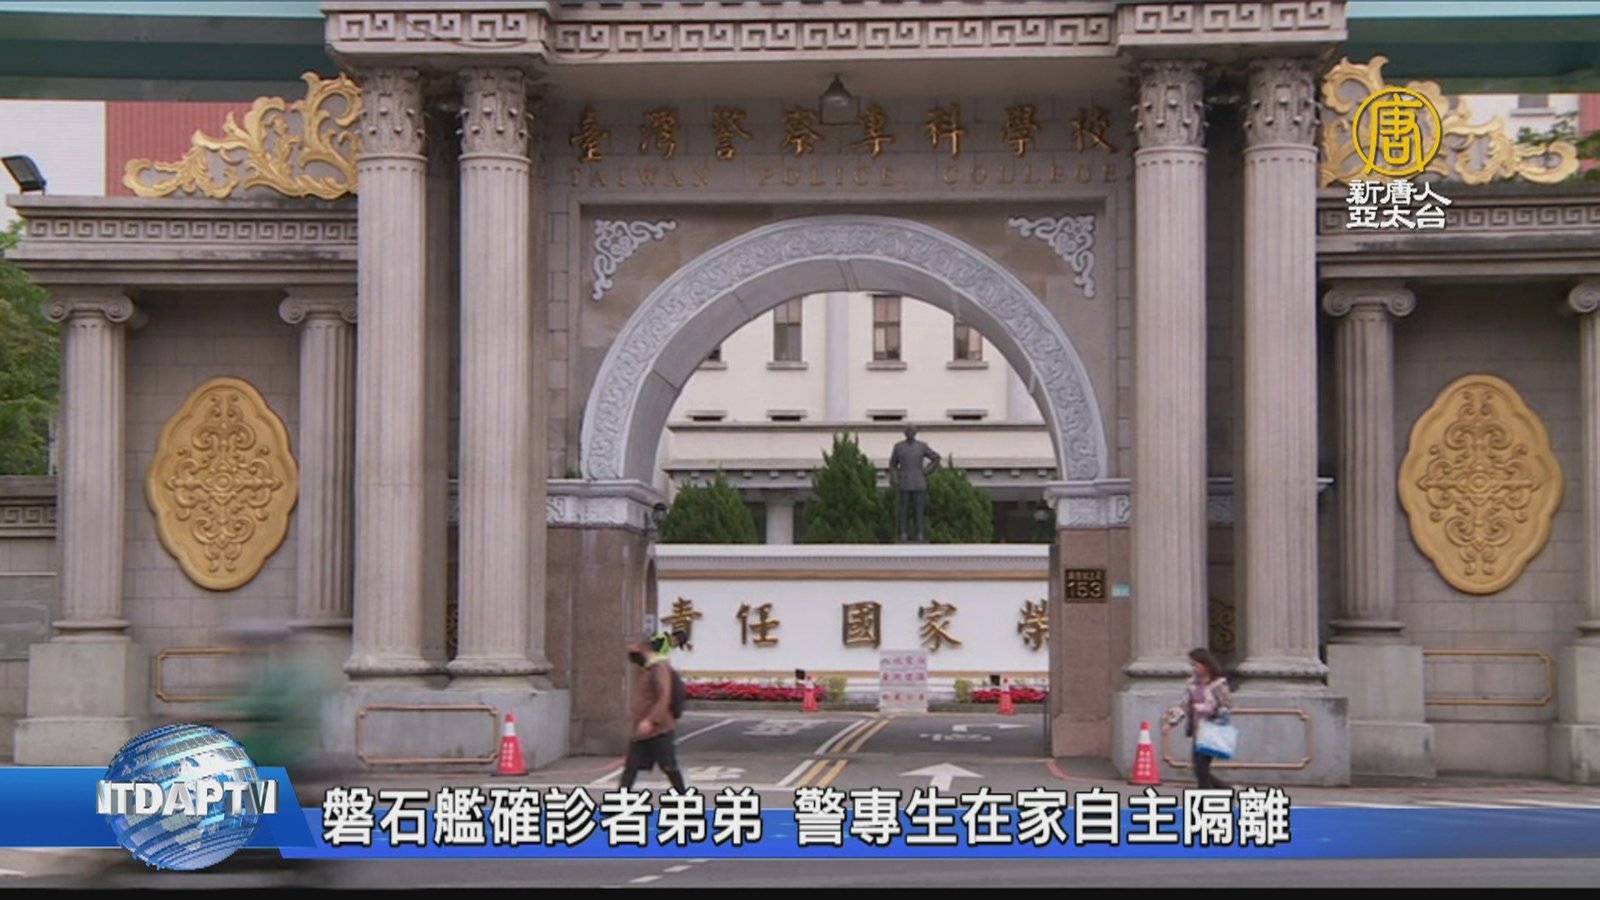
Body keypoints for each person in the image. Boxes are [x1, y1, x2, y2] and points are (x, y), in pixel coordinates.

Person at [619, 632, 687, 793]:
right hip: (642, 730)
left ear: (644, 647)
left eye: (633, 647)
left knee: (669, 767)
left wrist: (651, 720)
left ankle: (684, 798)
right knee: (631, 768)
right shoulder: (644, 668)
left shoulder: (659, 667)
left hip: (659, 728)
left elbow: (664, 695)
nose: (631, 652)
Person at [1161, 647, 1234, 791]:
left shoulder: (1218, 684)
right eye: (1193, 665)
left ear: (1206, 664)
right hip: (1197, 731)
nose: (1194, 668)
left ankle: (1208, 795)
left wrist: (1209, 709)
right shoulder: (1192, 685)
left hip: (1211, 730)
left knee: (1201, 768)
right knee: (1199, 769)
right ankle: (1225, 790)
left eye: (1196, 664)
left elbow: (1226, 705)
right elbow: (1184, 705)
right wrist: (1171, 723)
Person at [889, 424, 941, 543]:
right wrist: (895, 477)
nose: (910, 433)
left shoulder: (922, 446)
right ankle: (903, 533)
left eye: (912, 431)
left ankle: (920, 533)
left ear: (916, 433)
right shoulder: (899, 447)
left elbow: (936, 458)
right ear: (904, 433)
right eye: (908, 431)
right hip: (904, 482)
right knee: (904, 511)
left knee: (919, 511)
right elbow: (892, 465)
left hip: (919, 482)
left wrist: (926, 471)